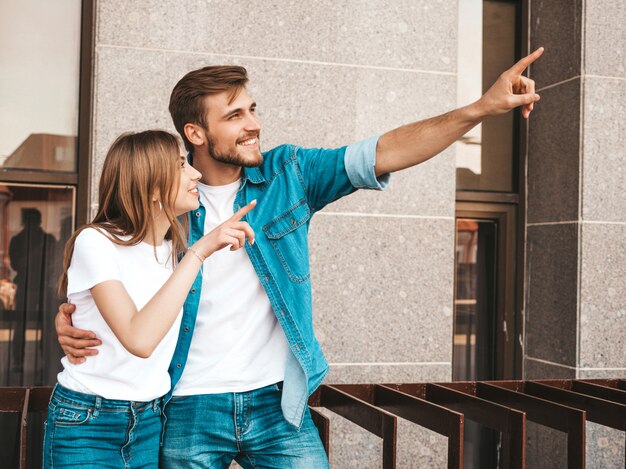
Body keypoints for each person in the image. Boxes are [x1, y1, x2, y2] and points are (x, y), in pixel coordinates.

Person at [56, 48, 544, 468]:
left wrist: (481, 108)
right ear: (195, 133)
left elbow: (385, 151)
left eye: (252, 109)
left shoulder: (290, 173)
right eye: (235, 116)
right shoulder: (169, 203)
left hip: (278, 401)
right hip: (186, 405)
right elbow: (115, 275)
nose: (254, 125)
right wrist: (73, 320)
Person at [44, 130, 255, 468]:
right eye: (181, 165)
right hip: (87, 422)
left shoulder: (175, 248)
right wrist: (199, 253)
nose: (195, 174)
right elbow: (138, 339)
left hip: (149, 421)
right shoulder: (95, 242)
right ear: (153, 186)